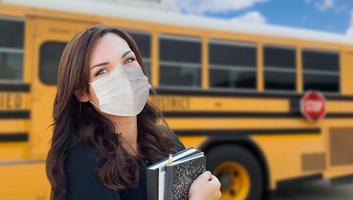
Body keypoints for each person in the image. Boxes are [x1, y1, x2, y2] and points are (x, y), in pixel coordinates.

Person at [45, 24, 221, 200]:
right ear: (82, 92)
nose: (123, 76)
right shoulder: (82, 161)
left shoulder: (166, 140)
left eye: (128, 60)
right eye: (102, 71)